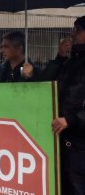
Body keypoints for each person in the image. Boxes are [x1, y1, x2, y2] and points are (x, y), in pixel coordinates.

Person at [41, 16, 85, 194]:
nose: (72, 34)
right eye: (73, 29)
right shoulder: (70, 60)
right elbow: (45, 82)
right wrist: (59, 57)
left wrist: (71, 119)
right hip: (61, 141)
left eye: (78, 30)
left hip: (80, 147)